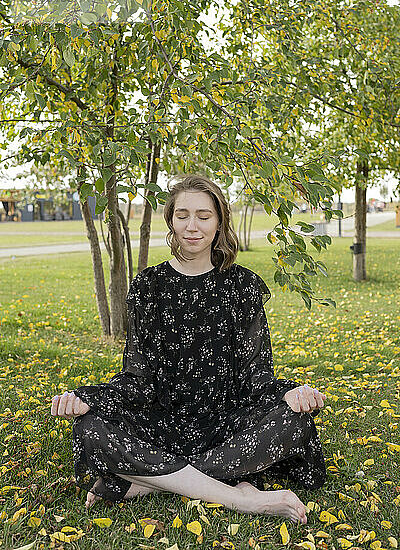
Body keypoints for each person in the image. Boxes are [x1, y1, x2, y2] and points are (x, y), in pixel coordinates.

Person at [51, 175, 327, 524]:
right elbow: (137, 378)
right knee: (88, 425)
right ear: (170, 220)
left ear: (219, 222)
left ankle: (151, 482)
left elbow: (257, 374)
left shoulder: (242, 285)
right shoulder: (149, 285)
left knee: (294, 421)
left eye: (204, 216)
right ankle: (239, 497)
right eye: (182, 215)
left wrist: (291, 392)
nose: (192, 226)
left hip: (228, 422)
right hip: (162, 422)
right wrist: (91, 397)